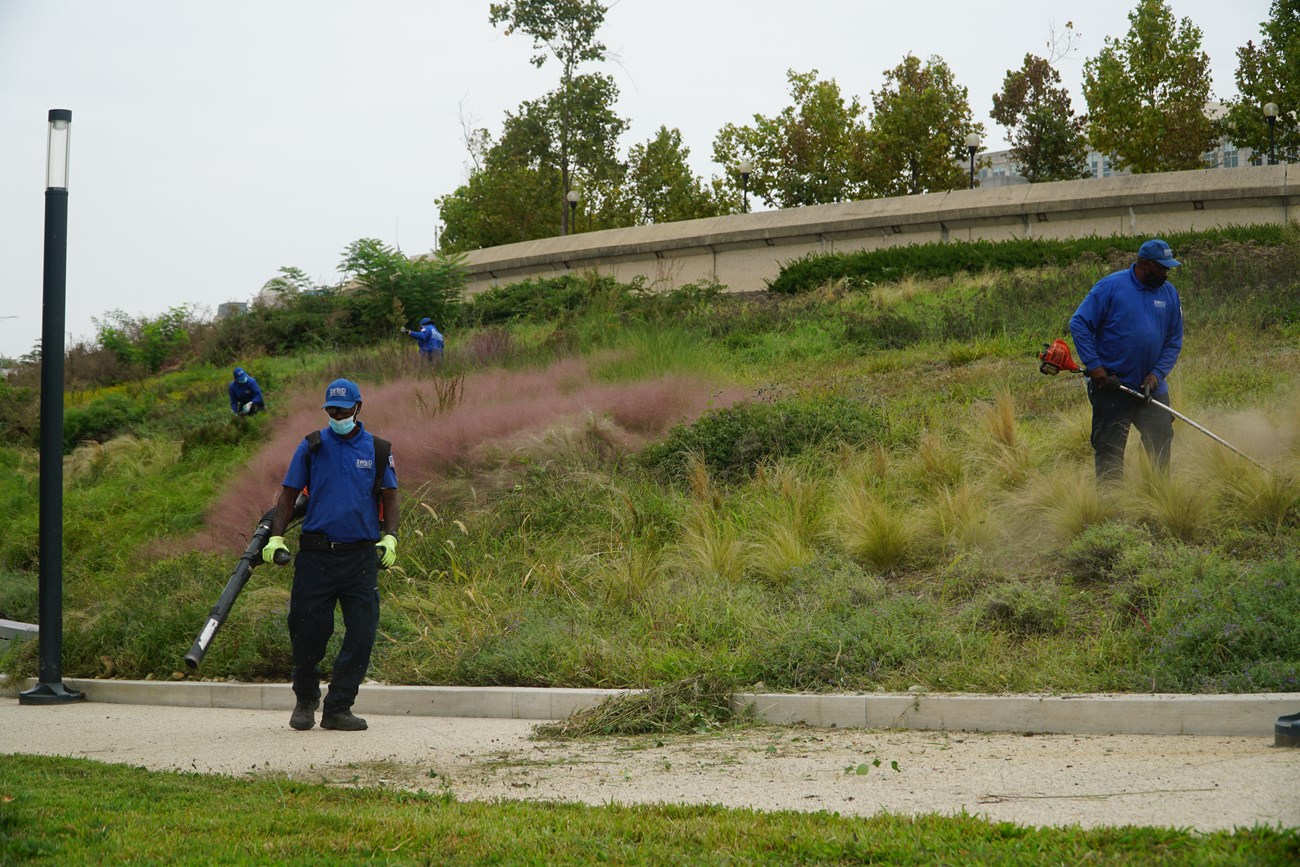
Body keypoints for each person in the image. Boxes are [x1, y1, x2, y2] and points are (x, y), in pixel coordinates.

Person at [262, 378, 399, 732]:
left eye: (343, 409)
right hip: (316, 556)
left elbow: (390, 497)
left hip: (360, 558)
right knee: (307, 630)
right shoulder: (311, 446)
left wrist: (391, 539)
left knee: (362, 632)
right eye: (331, 410)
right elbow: (288, 495)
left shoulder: (379, 449)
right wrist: (276, 539)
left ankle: (338, 707)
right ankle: (306, 699)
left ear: (358, 407)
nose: (336, 415)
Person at [1069, 238, 1184, 483]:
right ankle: (1111, 509)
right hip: (1112, 384)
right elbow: (1079, 324)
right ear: (1143, 263)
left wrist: (1157, 374)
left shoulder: (1168, 293)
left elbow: (1174, 339)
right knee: (1110, 447)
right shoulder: (1111, 287)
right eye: (1161, 267)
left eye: (1168, 268)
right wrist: (1095, 366)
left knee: (1161, 436)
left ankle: (1156, 493)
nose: (1166, 273)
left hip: (1150, 388)